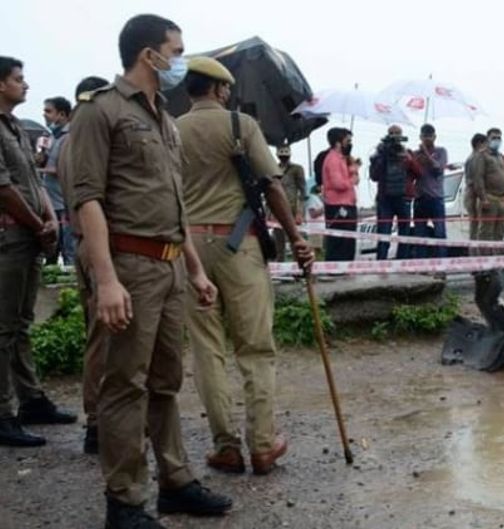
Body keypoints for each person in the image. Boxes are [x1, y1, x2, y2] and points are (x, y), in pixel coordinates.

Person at [69, 15, 233, 528]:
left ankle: (175, 481)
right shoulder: (100, 111)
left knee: (165, 381)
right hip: (129, 265)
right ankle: (124, 501)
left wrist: (195, 270)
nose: (181, 60)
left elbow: (174, 206)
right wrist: (106, 280)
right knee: (125, 384)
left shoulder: (165, 117)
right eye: (176, 50)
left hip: (169, 265)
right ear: (149, 54)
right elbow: (87, 199)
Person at [176, 57, 313, 475]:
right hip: (240, 246)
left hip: (189, 251)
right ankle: (263, 444)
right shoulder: (240, 126)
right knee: (255, 347)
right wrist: (296, 237)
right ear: (220, 89)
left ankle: (226, 446)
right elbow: (272, 186)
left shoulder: (171, 130)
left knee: (207, 350)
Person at [0, 56, 77, 448]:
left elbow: (32, 179)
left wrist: (48, 220)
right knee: (4, 327)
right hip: (9, 238)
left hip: (27, 235)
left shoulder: (14, 127)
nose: (25, 84)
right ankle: (3, 413)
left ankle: (30, 399)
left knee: (21, 323)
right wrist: (37, 223)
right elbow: (3, 189)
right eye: (18, 79)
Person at [57, 74, 110, 455]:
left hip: (81, 243)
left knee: (97, 334)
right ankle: (99, 422)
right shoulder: (87, 140)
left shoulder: (66, 142)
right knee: (105, 338)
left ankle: (97, 420)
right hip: (97, 246)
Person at [370, 124, 418, 260]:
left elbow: (419, 173)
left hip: (404, 197)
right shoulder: (380, 153)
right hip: (385, 198)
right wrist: (383, 156)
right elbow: (374, 176)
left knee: (404, 233)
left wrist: (409, 160)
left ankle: (402, 261)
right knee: (384, 232)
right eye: (392, 133)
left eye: (397, 133)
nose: (395, 136)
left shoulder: (407, 153)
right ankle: (381, 262)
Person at [39, 95, 75, 264]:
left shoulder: (70, 137)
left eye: (48, 111)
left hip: (64, 203)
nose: (44, 114)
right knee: (51, 250)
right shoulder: (52, 136)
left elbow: (64, 169)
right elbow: (46, 162)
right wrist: (40, 157)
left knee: (68, 251)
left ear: (61, 114)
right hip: (51, 203)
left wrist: (35, 170)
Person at [467, 128, 504, 249]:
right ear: (488, 139)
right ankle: (485, 259)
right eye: (494, 138)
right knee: (486, 233)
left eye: (499, 138)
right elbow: (478, 178)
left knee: (500, 233)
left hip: (502, 198)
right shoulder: (481, 155)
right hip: (489, 198)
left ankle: (497, 259)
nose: (497, 140)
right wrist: (483, 198)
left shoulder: (500, 157)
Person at [413, 124, 449, 258]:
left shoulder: (441, 152)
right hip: (420, 198)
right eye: (424, 136)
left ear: (435, 137)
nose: (427, 138)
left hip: (436, 198)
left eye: (430, 136)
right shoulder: (416, 154)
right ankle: (421, 264)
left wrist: (427, 155)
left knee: (440, 233)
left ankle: (442, 263)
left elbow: (438, 169)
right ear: (420, 137)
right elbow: (412, 173)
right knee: (420, 235)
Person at [322, 127, 357, 261]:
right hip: (338, 206)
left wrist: (352, 168)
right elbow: (339, 184)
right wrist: (352, 180)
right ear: (338, 143)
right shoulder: (333, 160)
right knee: (339, 243)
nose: (350, 144)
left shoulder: (343, 159)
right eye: (347, 141)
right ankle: (335, 268)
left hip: (348, 203)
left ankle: (346, 267)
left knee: (348, 243)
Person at [272, 145, 307, 262]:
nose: (283, 155)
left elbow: (303, 192)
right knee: (278, 242)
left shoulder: (297, 169)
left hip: (292, 209)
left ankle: (299, 266)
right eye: (281, 152)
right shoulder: (273, 169)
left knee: (296, 241)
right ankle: (280, 266)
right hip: (277, 209)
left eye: (285, 152)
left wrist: (300, 212)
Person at [463, 133, 488, 242]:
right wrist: (483, 197)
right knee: (476, 225)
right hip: (473, 193)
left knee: (475, 224)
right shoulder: (475, 158)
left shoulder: (473, 157)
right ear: (479, 144)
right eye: (486, 143)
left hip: (472, 192)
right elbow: (477, 179)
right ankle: (475, 249)